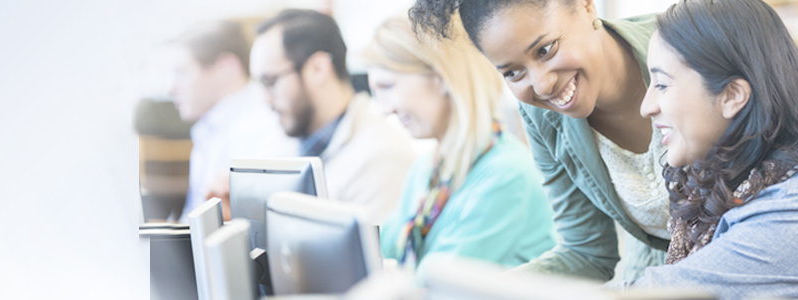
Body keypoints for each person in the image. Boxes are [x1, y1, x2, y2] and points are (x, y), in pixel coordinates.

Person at [620, 0, 798, 298]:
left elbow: (657, 294)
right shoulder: (739, 183)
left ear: (732, 95)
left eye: (662, 85)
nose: (646, 107)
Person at [410, 0, 668, 280]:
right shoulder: (540, 116)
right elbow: (588, 252)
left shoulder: (689, 43)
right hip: (654, 275)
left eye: (545, 50)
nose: (543, 85)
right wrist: (493, 289)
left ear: (586, 6)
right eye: (513, 72)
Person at [364, 15, 558, 268]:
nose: (383, 109)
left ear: (442, 77)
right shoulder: (428, 169)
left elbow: (433, 285)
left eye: (387, 87)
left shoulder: (507, 175)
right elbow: (385, 244)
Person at [250, 9, 416, 224]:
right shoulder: (287, 142)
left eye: (271, 82)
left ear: (318, 69)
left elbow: (373, 256)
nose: (264, 99)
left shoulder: (381, 158)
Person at [167, 20, 298, 223]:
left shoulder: (264, 131)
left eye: (182, 72)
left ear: (226, 68)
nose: (171, 88)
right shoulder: (208, 127)